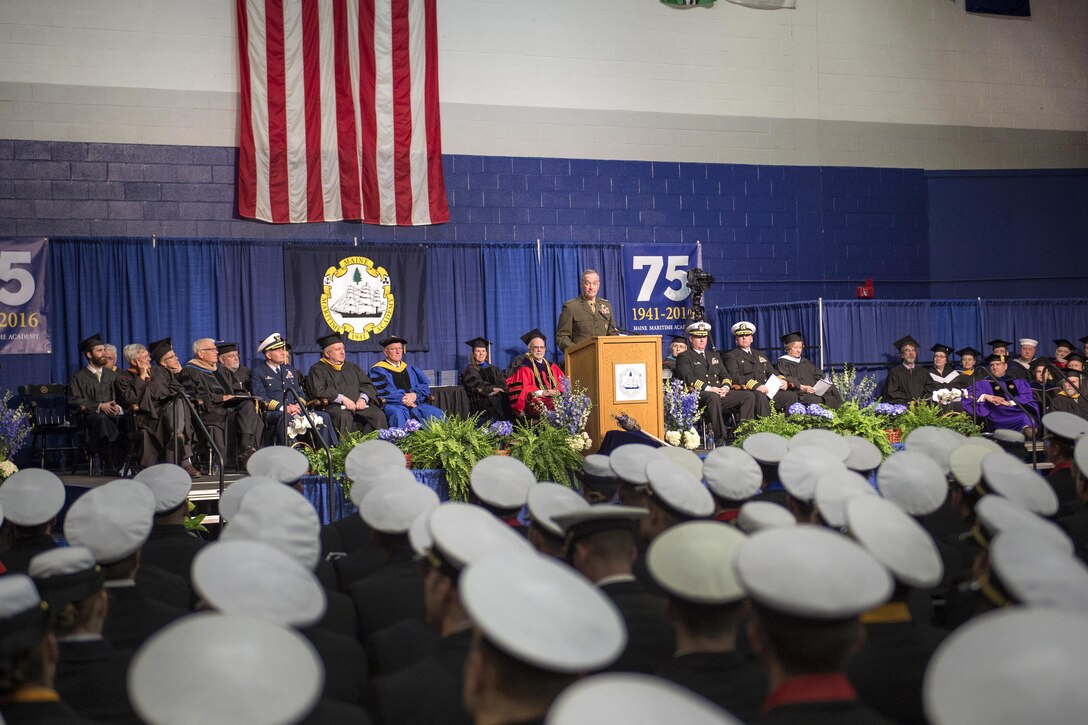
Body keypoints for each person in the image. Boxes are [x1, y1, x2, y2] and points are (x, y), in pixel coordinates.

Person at [115, 342, 198, 477]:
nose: (149, 359)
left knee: (178, 404)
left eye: (148, 355)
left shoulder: (160, 371)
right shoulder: (123, 378)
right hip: (144, 417)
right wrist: (141, 378)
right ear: (133, 361)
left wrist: (164, 396)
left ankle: (176, 437)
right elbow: (130, 400)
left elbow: (178, 388)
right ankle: (183, 462)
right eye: (144, 357)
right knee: (173, 423)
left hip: (168, 410)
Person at [179, 337, 262, 466]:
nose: (216, 352)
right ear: (200, 353)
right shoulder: (189, 371)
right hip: (208, 410)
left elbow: (236, 388)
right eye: (212, 349)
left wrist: (240, 396)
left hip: (230, 406)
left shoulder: (222, 369)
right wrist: (221, 398)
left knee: (248, 403)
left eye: (215, 349)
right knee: (230, 413)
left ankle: (246, 447)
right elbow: (193, 397)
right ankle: (239, 456)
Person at [674, 321, 761, 442]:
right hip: (699, 396)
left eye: (704, 337)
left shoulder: (713, 355)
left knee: (748, 396)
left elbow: (725, 375)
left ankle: (744, 435)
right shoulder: (684, 356)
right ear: (690, 339)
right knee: (713, 397)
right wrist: (710, 389)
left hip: (720, 393)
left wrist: (725, 387)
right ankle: (720, 437)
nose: (702, 340)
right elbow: (688, 378)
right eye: (698, 337)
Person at [250, 333, 337, 447]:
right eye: (278, 350)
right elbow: (261, 397)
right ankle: (294, 454)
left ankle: (328, 452)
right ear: (268, 355)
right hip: (275, 413)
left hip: (296, 409)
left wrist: (297, 406)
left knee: (324, 416)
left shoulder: (289, 370)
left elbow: (300, 393)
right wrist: (284, 408)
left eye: (282, 349)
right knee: (286, 418)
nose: (283, 353)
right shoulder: (258, 372)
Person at [306, 332, 388, 438]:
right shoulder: (317, 369)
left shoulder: (352, 367)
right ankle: (344, 450)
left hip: (359, 405)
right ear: (327, 353)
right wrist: (343, 399)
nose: (342, 352)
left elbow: (367, 384)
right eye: (337, 349)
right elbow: (318, 390)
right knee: (343, 416)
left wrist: (363, 399)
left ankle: (377, 447)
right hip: (333, 406)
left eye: (343, 348)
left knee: (377, 414)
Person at [67, 333, 125, 474]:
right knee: (102, 419)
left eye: (104, 350)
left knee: (127, 420)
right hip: (90, 420)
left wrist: (118, 407)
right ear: (89, 354)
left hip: (114, 416)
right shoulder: (78, 377)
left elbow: (123, 397)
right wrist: (99, 406)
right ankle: (111, 463)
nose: (104, 353)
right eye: (99, 351)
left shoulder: (113, 375)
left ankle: (121, 462)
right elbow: (75, 400)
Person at [369, 335, 445, 427]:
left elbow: (424, 386)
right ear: (385, 352)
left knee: (436, 413)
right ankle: (400, 440)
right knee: (398, 414)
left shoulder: (410, 369)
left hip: (414, 402)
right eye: (393, 349)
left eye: (400, 348)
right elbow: (385, 391)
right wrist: (406, 400)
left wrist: (415, 395)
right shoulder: (378, 370)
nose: (398, 352)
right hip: (392, 404)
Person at [723, 321, 799, 411]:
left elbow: (771, 371)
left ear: (751, 339)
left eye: (747, 335)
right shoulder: (731, 355)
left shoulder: (759, 354)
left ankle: (791, 423)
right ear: (736, 340)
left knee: (790, 395)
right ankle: (765, 424)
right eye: (740, 336)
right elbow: (735, 377)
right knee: (760, 397)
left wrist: (781, 380)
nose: (744, 338)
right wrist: (756, 386)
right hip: (749, 390)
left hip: (767, 389)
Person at [962, 354, 1040, 437]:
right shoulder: (983, 383)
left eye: (998, 364)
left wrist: (1010, 402)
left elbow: (1027, 395)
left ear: (1005, 366)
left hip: (1016, 409)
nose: (994, 367)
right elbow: (968, 396)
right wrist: (986, 396)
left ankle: (1026, 431)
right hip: (997, 412)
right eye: (992, 365)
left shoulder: (1017, 382)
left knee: (1026, 415)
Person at [555, 268, 618, 353]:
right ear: (582, 285)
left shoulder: (606, 305)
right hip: (581, 358)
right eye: (587, 283)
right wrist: (577, 350)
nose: (591, 287)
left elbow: (612, 333)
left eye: (594, 283)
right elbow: (562, 337)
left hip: (604, 357)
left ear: (598, 285)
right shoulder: (571, 307)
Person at [507, 329, 566, 418]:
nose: (539, 350)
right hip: (536, 402)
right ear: (529, 349)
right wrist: (543, 392)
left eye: (542, 347)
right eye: (536, 347)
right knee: (548, 403)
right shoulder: (524, 367)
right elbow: (523, 390)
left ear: (545, 349)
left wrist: (558, 392)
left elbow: (563, 382)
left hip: (555, 397)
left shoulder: (552, 366)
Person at [775, 331, 842, 409]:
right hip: (799, 393)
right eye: (795, 347)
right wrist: (803, 388)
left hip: (814, 390)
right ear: (788, 348)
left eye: (800, 347)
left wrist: (824, 382)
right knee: (814, 399)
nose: (799, 350)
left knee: (831, 393)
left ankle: (837, 418)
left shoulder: (805, 362)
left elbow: (818, 374)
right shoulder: (782, 363)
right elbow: (786, 378)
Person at [460, 337, 512, 422]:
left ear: (486, 353)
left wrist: (500, 389)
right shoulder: (470, 370)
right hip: (481, 402)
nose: (481, 354)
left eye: (483, 351)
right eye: (478, 351)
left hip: (498, 398)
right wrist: (492, 389)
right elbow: (476, 385)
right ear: (473, 354)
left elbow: (503, 382)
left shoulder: (494, 369)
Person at [884, 335, 928, 405]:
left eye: (913, 350)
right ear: (902, 355)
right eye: (907, 350)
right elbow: (891, 393)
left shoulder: (924, 372)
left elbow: (930, 390)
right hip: (903, 409)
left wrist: (923, 401)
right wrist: (908, 401)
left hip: (922, 409)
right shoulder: (895, 372)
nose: (911, 353)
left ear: (916, 354)